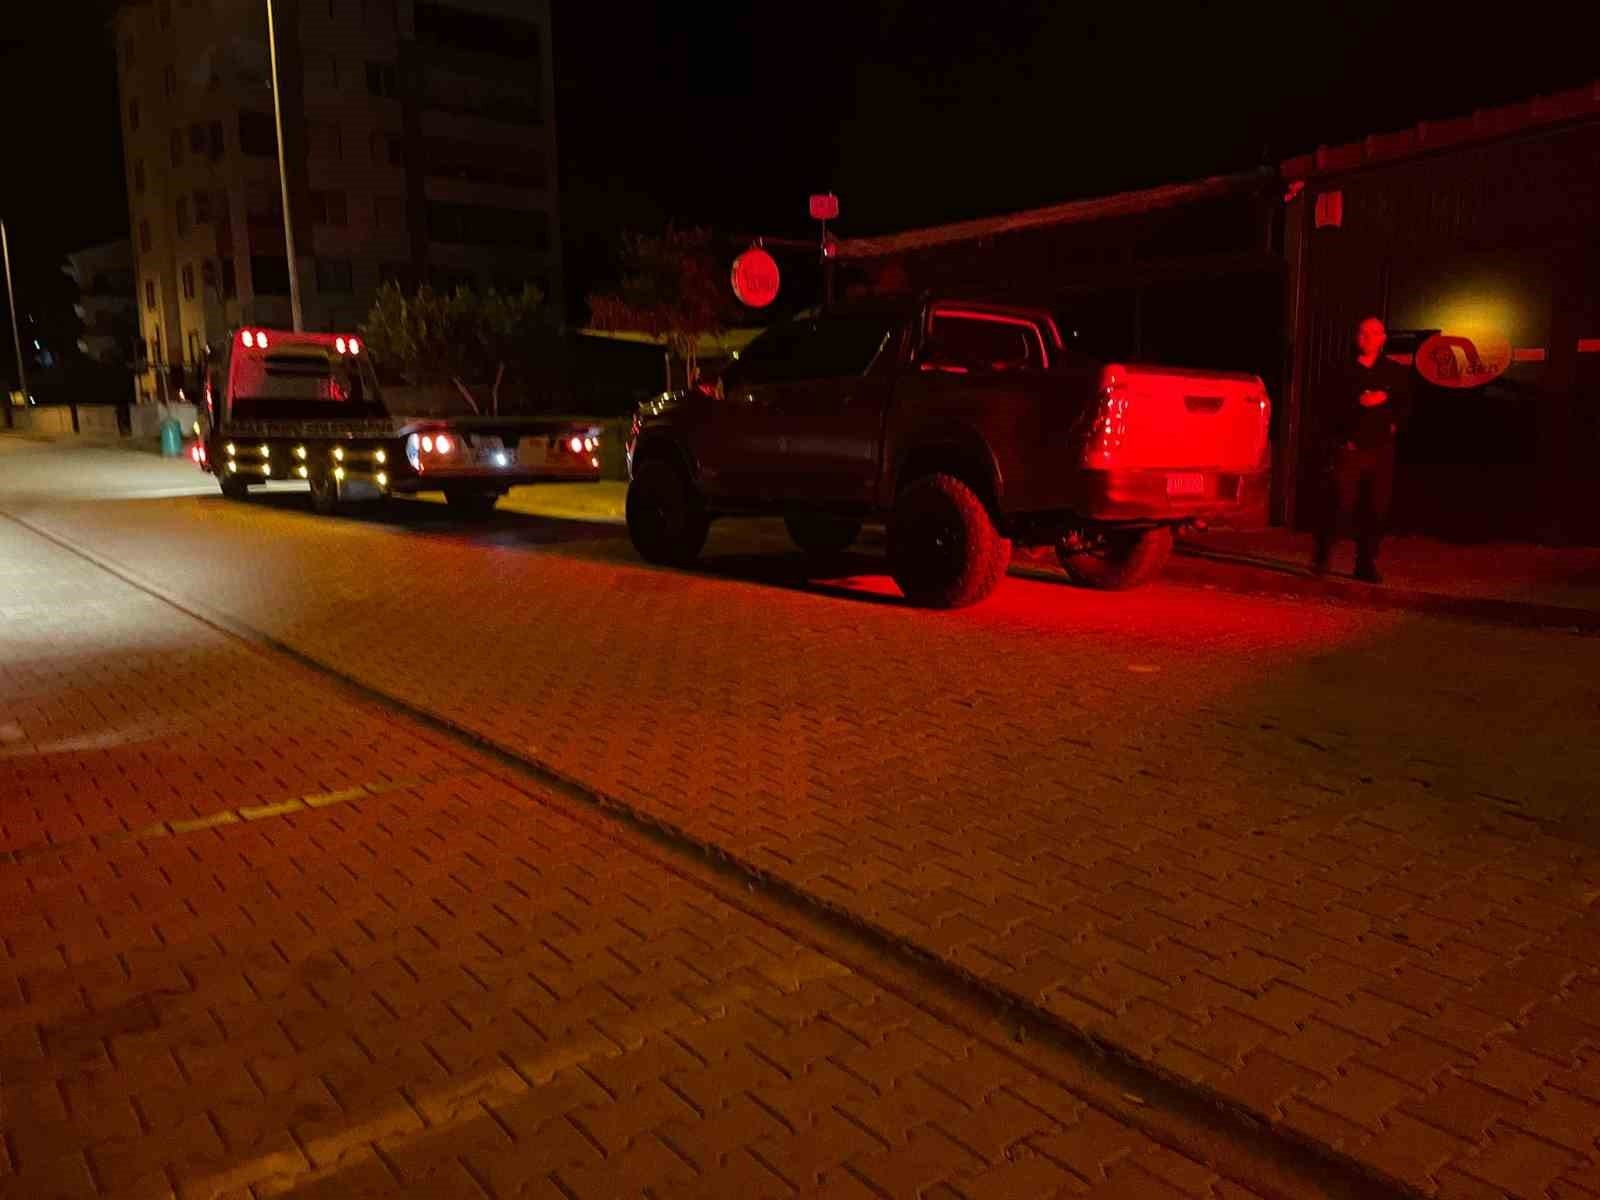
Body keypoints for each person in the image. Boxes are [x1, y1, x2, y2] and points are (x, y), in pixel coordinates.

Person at [1313, 316, 1411, 583]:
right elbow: (1325, 405)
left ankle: (1365, 562)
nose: (1368, 338)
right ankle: (1323, 555)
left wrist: (1392, 418)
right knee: (1340, 503)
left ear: (1383, 339)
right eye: (1363, 333)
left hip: (1381, 450)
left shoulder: (1393, 372)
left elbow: (1406, 405)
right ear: (1357, 337)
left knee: (1376, 508)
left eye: (1374, 333)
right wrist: (1355, 405)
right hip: (1351, 449)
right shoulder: (1341, 371)